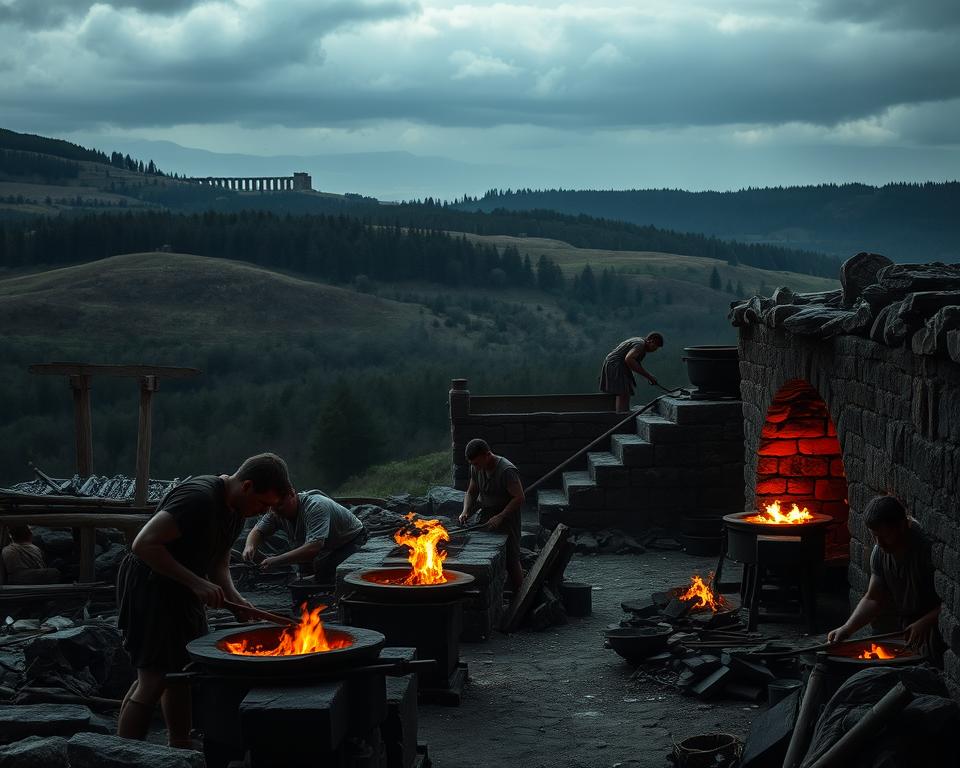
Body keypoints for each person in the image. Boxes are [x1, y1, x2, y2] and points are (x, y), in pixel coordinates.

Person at [116, 452, 292, 747]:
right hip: (150, 587)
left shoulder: (236, 512)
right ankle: (121, 753)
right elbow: (144, 544)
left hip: (181, 589)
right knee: (153, 677)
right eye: (263, 504)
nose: (262, 512)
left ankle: (180, 744)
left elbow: (219, 562)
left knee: (181, 671)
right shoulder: (198, 498)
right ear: (247, 485)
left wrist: (235, 599)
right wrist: (196, 583)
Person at [827, 495, 944, 663]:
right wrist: (847, 629)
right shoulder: (880, 552)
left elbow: (948, 605)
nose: (879, 543)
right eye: (875, 536)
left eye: (885, 536)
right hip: (907, 627)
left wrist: (925, 622)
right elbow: (873, 598)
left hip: (935, 629)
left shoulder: (927, 550)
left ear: (902, 526)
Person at [242, 488, 367, 582]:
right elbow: (257, 531)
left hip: (350, 539)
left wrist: (275, 561)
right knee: (303, 577)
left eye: (280, 505)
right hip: (313, 543)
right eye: (272, 507)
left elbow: (314, 547)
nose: (276, 511)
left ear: (292, 494)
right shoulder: (275, 511)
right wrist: (250, 546)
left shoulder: (315, 506)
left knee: (330, 575)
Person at [458, 439, 525, 594]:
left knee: (512, 559)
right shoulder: (476, 467)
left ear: (487, 455)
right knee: (485, 553)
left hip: (508, 518)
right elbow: (471, 492)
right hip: (486, 516)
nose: (475, 467)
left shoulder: (507, 471)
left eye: (476, 463)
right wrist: (465, 511)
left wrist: (501, 516)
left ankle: (521, 595)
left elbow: (519, 497)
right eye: (472, 464)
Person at [598, 332, 664, 412]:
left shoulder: (639, 342)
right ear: (650, 341)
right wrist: (649, 376)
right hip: (616, 365)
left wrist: (649, 377)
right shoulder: (640, 345)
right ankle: (622, 413)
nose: (653, 350)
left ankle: (622, 412)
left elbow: (635, 363)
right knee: (623, 392)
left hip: (615, 364)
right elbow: (629, 359)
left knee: (624, 391)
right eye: (654, 347)